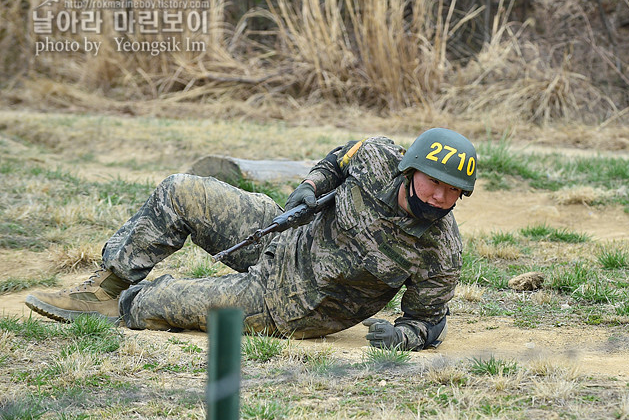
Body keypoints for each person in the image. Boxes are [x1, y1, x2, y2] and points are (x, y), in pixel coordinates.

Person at [25, 128, 478, 351]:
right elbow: (338, 162)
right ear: (410, 167)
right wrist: (310, 187)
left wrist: (404, 338)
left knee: (156, 305)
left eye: (452, 190)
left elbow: (428, 320)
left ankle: (126, 305)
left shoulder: (441, 250)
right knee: (181, 191)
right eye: (432, 182)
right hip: (287, 231)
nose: (440, 196)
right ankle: (108, 286)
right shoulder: (379, 154)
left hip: (293, 304)